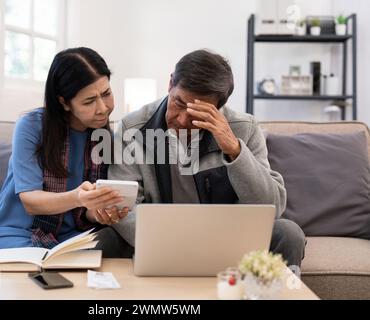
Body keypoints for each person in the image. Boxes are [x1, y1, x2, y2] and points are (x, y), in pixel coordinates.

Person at [109, 49, 306, 267]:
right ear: (170, 84)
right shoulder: (132, 128)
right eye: (179, 103)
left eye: (197, 114)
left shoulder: (244, 128)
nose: (183, 120)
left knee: (288, 233)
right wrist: (176, 242)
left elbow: (272, 207)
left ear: (218, 107)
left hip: (229, 235)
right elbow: (123, 206)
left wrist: (234, 149)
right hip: (161, 238)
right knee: (105, 239)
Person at [0, 47, 133, 258]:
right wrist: (78, 197)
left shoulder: (104, 138)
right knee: (36, 261)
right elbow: (30, 201)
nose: (103, 108)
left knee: (115, 242)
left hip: (71, 236)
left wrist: (99, 213)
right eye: (89, 101)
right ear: (64, 102)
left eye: (106, 94)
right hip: (16, 232)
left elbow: (86, 213)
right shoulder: (31, 126)